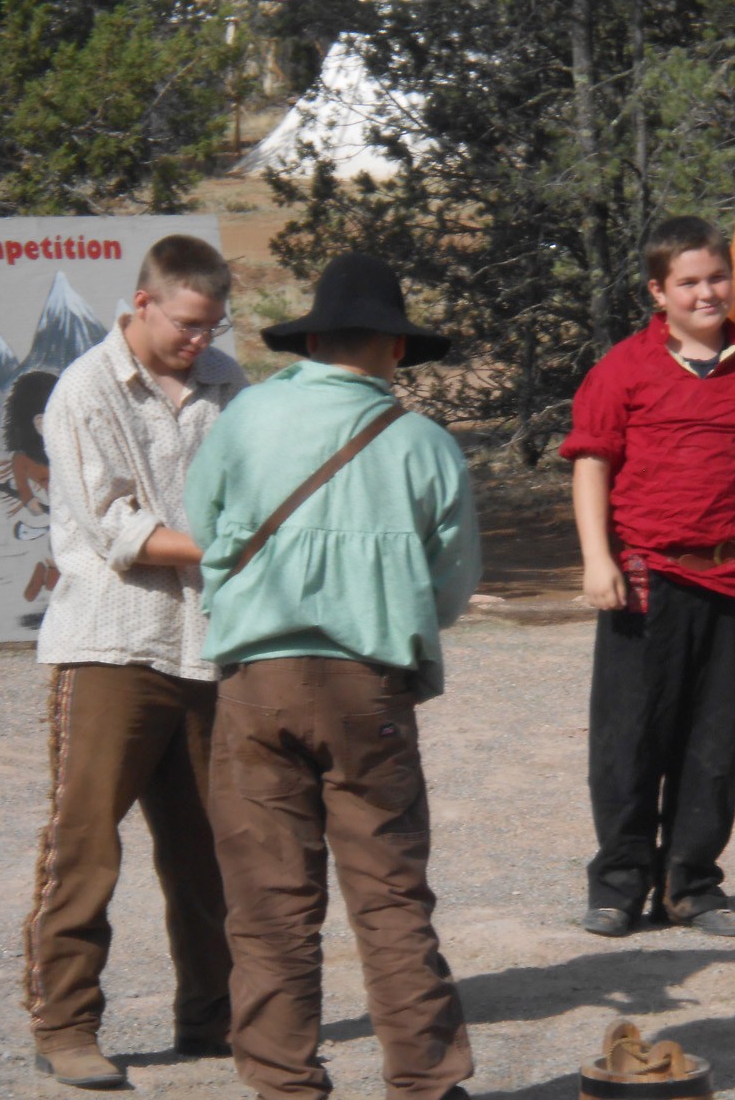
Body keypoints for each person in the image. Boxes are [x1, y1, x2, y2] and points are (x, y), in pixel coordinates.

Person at [185, 252, 478, 1100]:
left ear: (311, 341)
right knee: (390, 899)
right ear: (396, 348)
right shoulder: (425, 445)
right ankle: (425, 1083)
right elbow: (451, 587)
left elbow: (204, 528)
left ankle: (283, 1085)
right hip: (368, 686)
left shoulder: (245, 417)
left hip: (257, 681)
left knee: (268, 905)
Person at [561, 215, 735, 939]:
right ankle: (619, 885)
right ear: (658, 291)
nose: (706, 293)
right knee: (629, 737)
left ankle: (692, 886)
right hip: (645, 576)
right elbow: (592, 464)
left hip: (729, 577)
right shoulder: (622, 369)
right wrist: (596, 558)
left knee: (711, 741)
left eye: (716, 278)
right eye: (688, 282)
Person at [23, 234, 247, 1088]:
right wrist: (234, 551)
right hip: (111, 645)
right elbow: (115, 526)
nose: (200, 339)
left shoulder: (229, 383)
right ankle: (66, 1024)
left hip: (208, 645)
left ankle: (213, 1015)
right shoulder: (84, 389)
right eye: (188, 323)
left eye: (212, 325)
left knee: (209, 848)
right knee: (85, 843)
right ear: (142, 303)